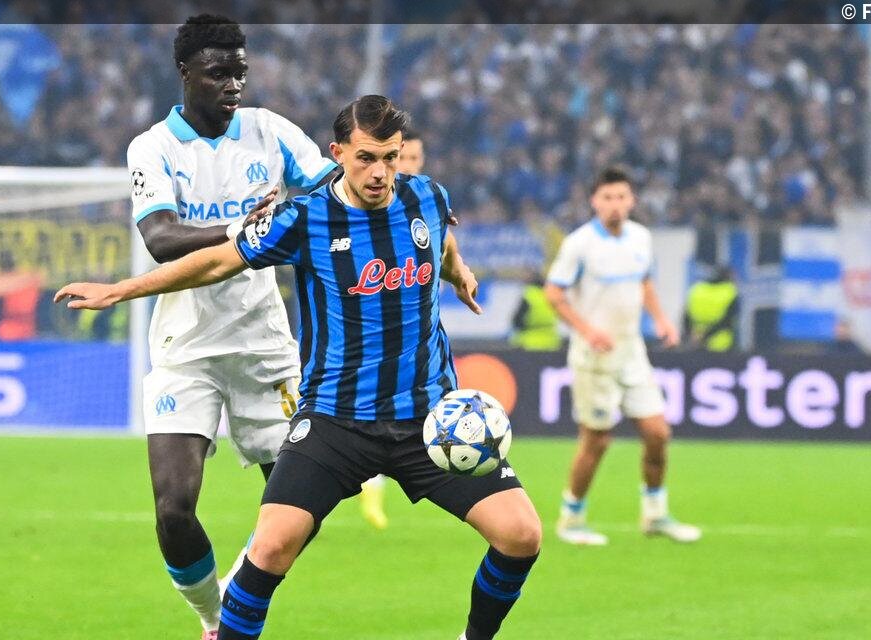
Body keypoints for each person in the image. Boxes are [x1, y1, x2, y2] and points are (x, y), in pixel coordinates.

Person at [56, 95, 542, 640]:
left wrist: (459, 271)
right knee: (269, 548)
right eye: (365, 158)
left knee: (522, 535)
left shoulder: (426, 195)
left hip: (427, 422)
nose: (379, 173)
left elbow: (442, 241)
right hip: (335, 422)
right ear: (338, 154)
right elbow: (216, 261)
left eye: (390, 157)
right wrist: (121, 290)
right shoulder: (305, 218)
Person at [123, 16, 338, 640]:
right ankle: (214, 619)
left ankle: (238, 590)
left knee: (302, 505)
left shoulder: (270, 132)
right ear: (185, 72)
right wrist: (248, 228)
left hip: (264, 347)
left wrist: (405, 197)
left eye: (240, 72)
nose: (233, 84)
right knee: (173, 510)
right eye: (219, 72)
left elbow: (337, 191)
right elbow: (161, 238)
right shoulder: (153, 148)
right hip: (185, 347)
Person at [543, 166, 701, 546]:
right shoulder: (580, 244)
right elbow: (554, 293)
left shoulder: (641, 238)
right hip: (594, 357)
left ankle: (655, 515)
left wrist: (661, 319)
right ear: (594, 202)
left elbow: (644, 282)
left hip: (632, 351)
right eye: (607, 197)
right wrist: (588, 330)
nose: (615, 204)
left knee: (658, 433)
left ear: (632, 200)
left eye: (621, 197)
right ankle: (571, 519)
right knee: (597, 441)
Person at [358, 124, 425, 530]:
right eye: (404, 158)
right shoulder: (359, 209)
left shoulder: (425, 206)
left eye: (412, 158)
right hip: (363, 345)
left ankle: (374, 491)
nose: (408, 166)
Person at [683, 265, 739, 352]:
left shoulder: (697, 289)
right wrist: (706, 335)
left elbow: (686, 317)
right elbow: (727, 321)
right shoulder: (730, 291)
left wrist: (691, 335)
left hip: (695, 342)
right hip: (721, 344)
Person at [509, 268, 563, 352]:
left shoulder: (529, 294)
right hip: (551, 341)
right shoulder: (550, 294)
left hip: (529, 343)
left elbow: (517, 321)